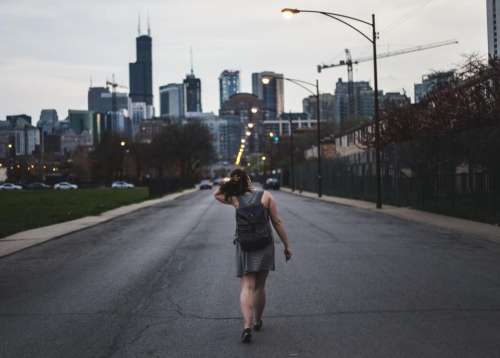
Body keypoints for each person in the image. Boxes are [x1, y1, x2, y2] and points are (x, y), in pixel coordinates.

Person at [214, 168, 292, 343]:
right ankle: (257, 321)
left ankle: (247, 326)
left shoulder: (235, 198)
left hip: (245, 245)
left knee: (247, 286)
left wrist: (231, 183)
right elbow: (277, 222)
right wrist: (287, 245)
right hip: (265, 244)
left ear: (236, 181)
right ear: (249, 180)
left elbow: (217, 194)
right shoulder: (266, 196)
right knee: (260, 286)